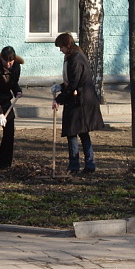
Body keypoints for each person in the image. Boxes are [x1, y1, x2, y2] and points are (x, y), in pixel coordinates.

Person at [51, 33, 104, 175]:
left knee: (74, 132)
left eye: (61, 46)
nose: (60, 50)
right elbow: (73, 80)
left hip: (80, 102)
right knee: (81, 133)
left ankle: (77, 165)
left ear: (67, 45)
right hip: (80, 100)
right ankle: (88, 164)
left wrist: (59, 99)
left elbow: (74, 83)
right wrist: (61, 86)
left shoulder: (75, 58)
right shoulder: (75, 56)